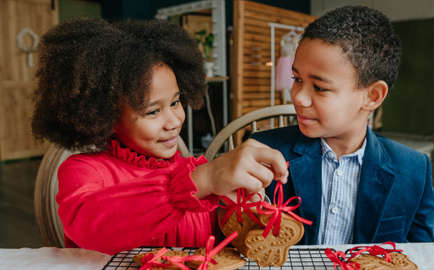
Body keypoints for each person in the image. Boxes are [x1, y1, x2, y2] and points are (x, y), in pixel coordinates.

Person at [32, 19, 288, 255]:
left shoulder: (191, 169)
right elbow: (93, 228)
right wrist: (201, 180)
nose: (174, 121)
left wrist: (246, 210)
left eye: (175, 102)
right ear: (104, 115)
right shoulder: (83, 171)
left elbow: (219, 241)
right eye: (153, 111)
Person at [252, 6, 434, 244]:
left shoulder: (413, 170)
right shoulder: (263, 151)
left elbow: (421, 258)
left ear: (372, 96)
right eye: (297, 79)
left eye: (319, 87)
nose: (298, 97)